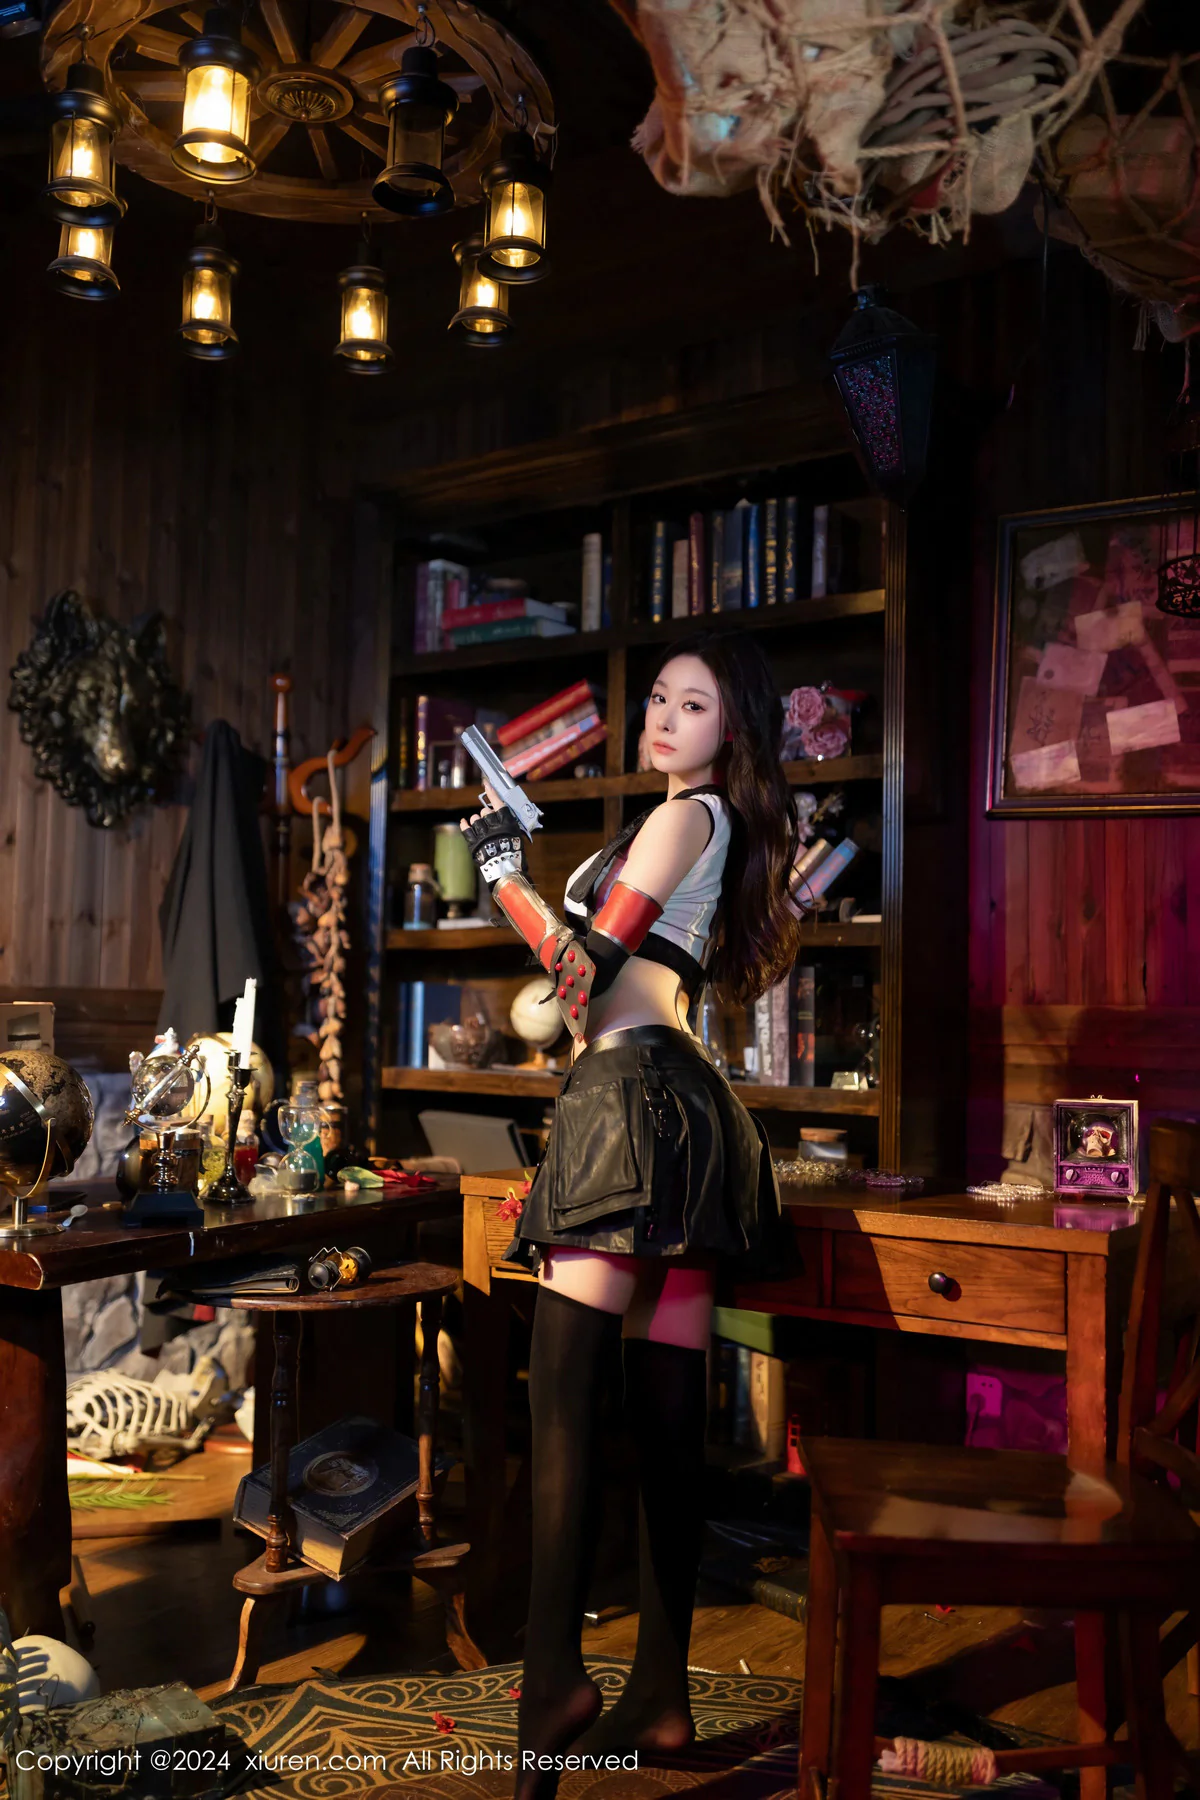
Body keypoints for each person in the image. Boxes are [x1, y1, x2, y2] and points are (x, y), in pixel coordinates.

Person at [460, 632, 808, 1800]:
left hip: (629, 1105)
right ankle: (663, 1695)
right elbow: (598, 992)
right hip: (688, 1116)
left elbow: (577, 985)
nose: (663, 717)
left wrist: (503, 874)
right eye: (658, 697)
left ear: (730, 728)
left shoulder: (680, 819)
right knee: (666, 1420)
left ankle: (553, 1682)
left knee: (561, 1397)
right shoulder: (704, 826)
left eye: (692, 704)